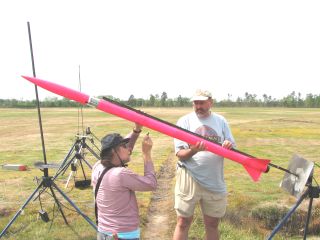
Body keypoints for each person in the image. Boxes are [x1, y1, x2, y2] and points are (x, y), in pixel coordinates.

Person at [173, 89, 236, 240]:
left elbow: (232, 146)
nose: (198, 106)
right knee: (183, 222)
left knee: (212, 223)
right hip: (189, 176)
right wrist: (193, 150)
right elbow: (180, 154)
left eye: (202, 102)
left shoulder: (221, 121)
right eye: (195, 102)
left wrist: (228, 145)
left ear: (210, 102)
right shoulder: (184, 121)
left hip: (214, 179)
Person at [91, 124, 157, 240]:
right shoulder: (121, 174)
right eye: (124, 146)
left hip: (103, 233)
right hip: (123, 235)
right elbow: (151, 183)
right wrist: (146, 154)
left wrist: (136, 131)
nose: (129, 149)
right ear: (114, 151)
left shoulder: (97, 166)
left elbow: (122, 150)